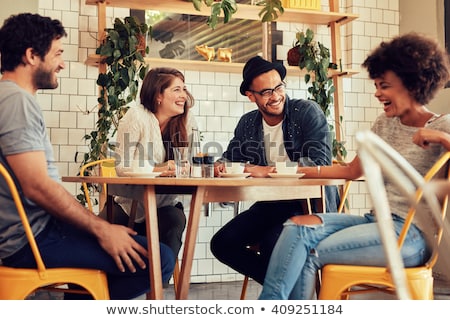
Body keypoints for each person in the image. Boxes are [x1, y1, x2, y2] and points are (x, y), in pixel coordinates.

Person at [259, 32, 450, 299]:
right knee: (296, 227)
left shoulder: (443, 125)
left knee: (308, 249)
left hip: (411, 236)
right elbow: (350, 170)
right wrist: (287, 169)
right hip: (375, 222)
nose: (377, 93)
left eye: (384, 86)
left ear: (411, 84)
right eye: (377, 85)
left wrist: (443, 138)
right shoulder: (384, 124)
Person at [0, 13, 175, 299]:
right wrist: (102, 230)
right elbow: (37, 186)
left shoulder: (8, 97)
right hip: (32, 239)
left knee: (132, 249)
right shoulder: (17, 101)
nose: (62, 63)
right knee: (159, 259)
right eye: (57, 53)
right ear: (31, 55)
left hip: (32, 233)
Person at [210, 56, 340, 285]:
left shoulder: (306, 112)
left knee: (274, 244)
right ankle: (292, 288)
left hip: (309, 206)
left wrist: (266, 170)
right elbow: (231, 158)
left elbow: (320, 163)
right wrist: (222, 165)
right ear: (251, 95)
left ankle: (286, 296)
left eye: (279, 87)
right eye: (267, 92)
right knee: (222, 243)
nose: (276, 96)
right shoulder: (247, 123)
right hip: (270, 205)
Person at [106, 67, 196, 262]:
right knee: (95, 234)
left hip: (165, 203)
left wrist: (187, 167)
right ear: (158, 95)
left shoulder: (186, 121)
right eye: (177, 90)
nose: (184, 96)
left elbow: (187, 164)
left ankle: (158, 281)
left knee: (175, 222)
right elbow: (122, 167)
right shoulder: (136, 116)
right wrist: (160, 169)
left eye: (184, 89)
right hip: (130, 204)